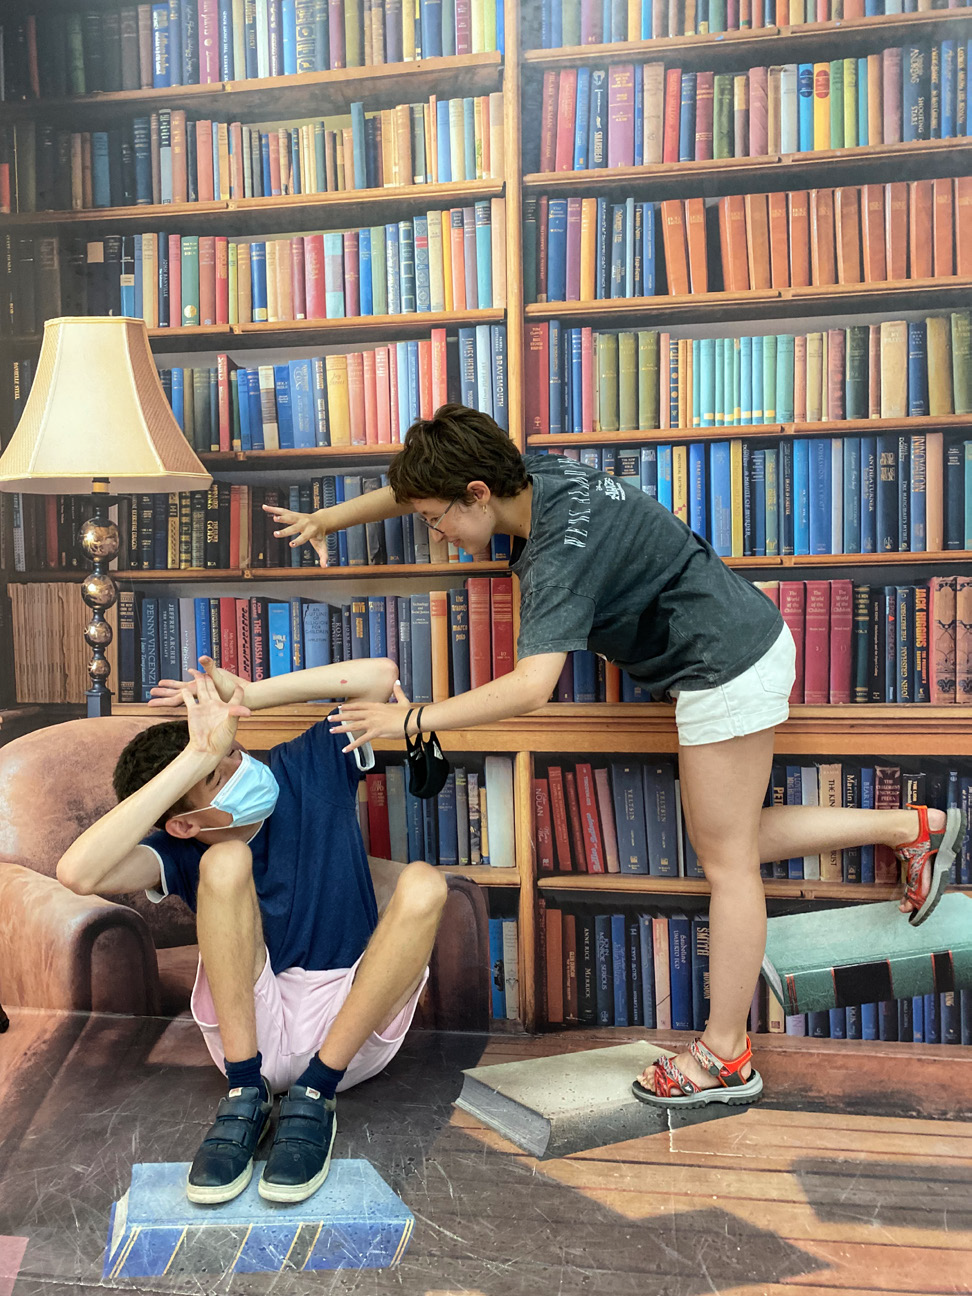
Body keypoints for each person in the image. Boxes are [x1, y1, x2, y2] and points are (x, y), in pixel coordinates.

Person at [264, 403, 966, 1109]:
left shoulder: (555, 559)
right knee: (734, 840)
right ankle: (913, 829)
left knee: (729, 864)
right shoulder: (525, 474)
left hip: (724, 663)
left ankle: (727, 1057)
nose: (434, 533)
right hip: (731, 644)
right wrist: (331, 519)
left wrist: (411, 717)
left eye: (434, 518)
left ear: (478, 495)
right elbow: (423, 482)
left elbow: (532, 687)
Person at [56, 655, 448, 1202]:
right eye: (219, 771)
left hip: (349, 1025)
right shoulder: (183, 848)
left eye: (232, 750)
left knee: (427, 882)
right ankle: (244, 1091)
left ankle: (315, 1094)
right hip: (251, 1033)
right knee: (225, 860)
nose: (241, 766)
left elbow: (381, 678)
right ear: (186, 822)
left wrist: (246, 693)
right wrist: (196, 757)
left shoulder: (306, 766)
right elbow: (77, 873)